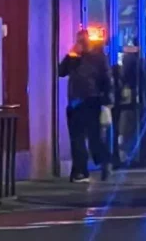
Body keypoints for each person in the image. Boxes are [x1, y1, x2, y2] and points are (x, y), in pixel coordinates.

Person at [58, 29, 113, 183]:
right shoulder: (75, 57)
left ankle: (92, 166)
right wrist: (71, 55)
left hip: (90, 101)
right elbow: (61, 71)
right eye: (79, 41)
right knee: (81, 138)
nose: (81, 44)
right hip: (78, 102)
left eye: (83, 40)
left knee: (88, 137)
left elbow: (106, 79)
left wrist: (106, 101)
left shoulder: (98, 57)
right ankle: (84, 169)